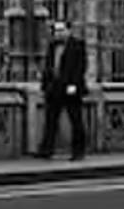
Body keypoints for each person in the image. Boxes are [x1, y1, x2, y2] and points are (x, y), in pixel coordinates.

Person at [38, 18, 90, 160]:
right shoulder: (52, 46)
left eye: (61, 30)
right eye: (56, 31)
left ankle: (78, 151)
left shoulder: (78, 45)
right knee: (50, 120)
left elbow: (80, 67)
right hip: (54, 88)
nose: (58, 33)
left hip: (70, 88)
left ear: (69, 30)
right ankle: (46, 150)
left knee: (76, 120)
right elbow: (48, 68)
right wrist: (44, 86)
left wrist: (73, 85)